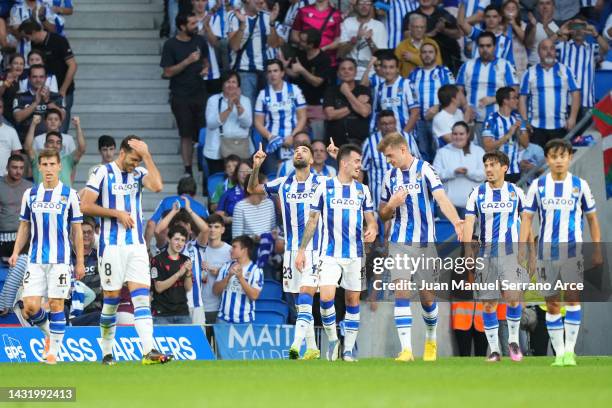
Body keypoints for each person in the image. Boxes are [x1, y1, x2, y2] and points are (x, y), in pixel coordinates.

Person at [80, 136, 172, 366]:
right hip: (111, 247)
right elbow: (85, 205)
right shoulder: (102, 172)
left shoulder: (139, 174)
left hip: (136, 246)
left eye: (139, 160)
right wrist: (116, 213)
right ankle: (107, 352)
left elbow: (158, 186)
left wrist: (147, 156)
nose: (135, 164)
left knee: (141, 299)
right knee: (111, 300)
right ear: (122, 153)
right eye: (134, 159)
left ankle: (149, 350)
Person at [378, 131, 463, 362]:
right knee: (401, 292)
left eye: (390, 155)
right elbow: (383, 214)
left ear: (403, 149)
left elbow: (441, 198)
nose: (389, 160)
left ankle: (431, 338)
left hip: (426, 243)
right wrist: (392, 205)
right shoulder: (389, 177)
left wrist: (456, 221)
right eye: (386, 157)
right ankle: (406, 350)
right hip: (400, 242)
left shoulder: (425, 169)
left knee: (427, 299)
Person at [519, 139, 602, 367]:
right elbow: (527, 218)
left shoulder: (580, 185)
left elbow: (592, 218)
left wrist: (596, 248)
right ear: (547, 159)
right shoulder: (538, 185)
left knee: (573, 301)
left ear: (569, 158)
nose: (558, 160)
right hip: (546, 253)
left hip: (573, 252)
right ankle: (559, 354)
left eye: (562, 156)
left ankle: (569, 352)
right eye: (553, 156)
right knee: (552, 304)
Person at [296, 144, 378, 362]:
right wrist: (302, 250)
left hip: (355, 254)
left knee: (352, 301)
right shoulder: (324, 186)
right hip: (329, 254)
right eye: (357, 161)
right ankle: (333, 340)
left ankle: (348, 350)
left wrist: (373, 229)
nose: (360, 166)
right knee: (326, 298)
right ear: (344, 163)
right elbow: (312, 220)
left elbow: (371, 220)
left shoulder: (363, 190)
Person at [249, 139, 326, 360]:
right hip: (290, 250)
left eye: (304, 150)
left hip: (314, 249)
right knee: (296, 299)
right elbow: (253, 188)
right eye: (296, 151)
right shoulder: (283, 183)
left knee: (305, 296)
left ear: (312, 159)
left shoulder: (322, 182)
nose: (299, 153)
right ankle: (312, 348)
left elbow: (350, 182)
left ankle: (295, 345)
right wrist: (256, 166)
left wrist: (339, 157)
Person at [8, 148, 84, 365]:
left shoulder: (70, 194)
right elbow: (24, 226)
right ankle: (50, 334)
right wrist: (15, 252)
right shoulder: (30, 194)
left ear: (60, 166)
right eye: (45, 165)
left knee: (56, 304)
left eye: (53, 164)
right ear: (39, 167)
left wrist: (79, 262)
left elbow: (77, 230)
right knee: (29, 306)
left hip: (60, 261)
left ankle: (53, 353)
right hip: (35, 260)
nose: (49, 169)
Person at [463, 150, 529, 362]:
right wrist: (467, 252)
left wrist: (524, 249)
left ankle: (513, 342)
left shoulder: (516, 192)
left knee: (512, 298)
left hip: (510, 254)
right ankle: (494, 350)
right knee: (489, 304)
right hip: (485, 254)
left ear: (505, 168)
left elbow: (526, 222)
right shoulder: (477, 193)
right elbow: (469, 224)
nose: (489, 169)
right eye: (486, 166)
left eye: (493, 165)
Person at [160, 13, 210, 178]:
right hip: (180, 96)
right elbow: (167, 72)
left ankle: (204, 166)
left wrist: (205, 68)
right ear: (182, 26)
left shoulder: (200, 41)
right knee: (186, 134)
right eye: (192, 23)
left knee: (203, 131)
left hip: (200, 93)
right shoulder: (170, 45)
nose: (196, 25)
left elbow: (205, 60)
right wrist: (187, 61)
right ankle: (188, 169)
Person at [153, 202, 209, 324]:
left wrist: (189, 210)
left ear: (190, 227)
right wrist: (173, 212)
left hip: (196, 305)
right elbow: (157, 231)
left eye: (186, 224)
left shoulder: (195, 247)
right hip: (172, 308)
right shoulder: (167, 247)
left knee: (198, 342)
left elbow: (205, 230)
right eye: (180, 225)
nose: (183, 227)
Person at [518, 39, 580, 148]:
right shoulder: (529, 72)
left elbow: (576, 93)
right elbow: (522, 98)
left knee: (559, 162)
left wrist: (573, 118)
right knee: (537, 163)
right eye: (544, 48)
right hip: (536, 127)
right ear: (538, 52)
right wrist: (524, 122)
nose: (549, 51)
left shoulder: (565, 70)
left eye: (552, 48)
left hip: (560, 126)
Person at [457, 32, 518, 140]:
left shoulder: (505, 65)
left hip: (498, 120)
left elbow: (514, 91)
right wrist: (466, 107)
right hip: (473, 121)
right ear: (477, 47)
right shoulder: (467, 66)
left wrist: (494, 99)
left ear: (494, 47)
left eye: (488, 46)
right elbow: (458, 92)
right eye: (481, 46)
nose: (485, 49)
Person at [19, 20, 77, 134]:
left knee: (60, 126)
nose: (27, 40)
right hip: (42, 92)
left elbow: (73, 65)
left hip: (62, 91)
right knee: (43, 127)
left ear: (34, 32)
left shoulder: (59, 40)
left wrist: (63, 90)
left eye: (27, 36)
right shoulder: (34, 44)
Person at [254, 59, 306, 173]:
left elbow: (302, 117)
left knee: (296, 174)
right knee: (273, 176)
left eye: (275, 71)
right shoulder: (263, 94)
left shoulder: (294, 90)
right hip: (271, 143)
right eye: (269, 71)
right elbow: (258, 122)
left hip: (293, 140)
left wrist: (293, 135)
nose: (272, 74)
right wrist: (271, 137)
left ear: (282, 73)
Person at [363, 111, 421, 214]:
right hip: (379, 201)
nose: (387, 126)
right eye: (384, 124)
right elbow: (361, 170)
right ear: (378, 125)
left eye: (390, 123)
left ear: (395, 123)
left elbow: (418, 164)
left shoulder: (407, 139)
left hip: (406, 198)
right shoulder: (370, 142)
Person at [556, 17, 608, 129]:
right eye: (575, 27)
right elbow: (545, 47)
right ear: (571, 30)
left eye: (582, 27)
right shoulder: (562, 47)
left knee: (583, 140)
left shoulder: (592, 48)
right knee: (565, 138)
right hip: (566, 102)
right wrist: (559, 32)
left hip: (586, 102)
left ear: (586, 29)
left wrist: (595, 34)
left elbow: (606, 48)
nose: (579, 30)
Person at [227, 0, 280, 107]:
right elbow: (234, 46)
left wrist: (272, 23)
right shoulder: (234, 16)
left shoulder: (266, 16)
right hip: (244, 71)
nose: (261, 1)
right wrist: (242, 24)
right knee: (248, 111)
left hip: (264, 72)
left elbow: (274, 44)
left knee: (265, 111)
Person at [408, 43, 455, 161]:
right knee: (422, 152)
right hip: (419, 121)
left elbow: (452, 94)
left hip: (438, 119)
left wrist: (438, 107)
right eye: (424, 52)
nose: (427, 55)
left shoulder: (444, 71)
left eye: (430, 52)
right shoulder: (414, 73)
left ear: (435, 54)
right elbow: (409, 95)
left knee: (439, 151)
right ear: (420, 55)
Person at [283, 29, 332, 142]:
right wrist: (285, 67)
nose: (299, 42)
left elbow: (317, 82)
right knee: (298, 139)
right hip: (299, 105)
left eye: (303, 41)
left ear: (311, 44)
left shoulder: (324, 59)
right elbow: (295, 75)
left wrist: (302, 70)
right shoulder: (299, 54)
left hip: (316, 106)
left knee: (317, 141)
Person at [433, 121, 485, 215]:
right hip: (447, 205)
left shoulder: (479, 151)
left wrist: (468, 172)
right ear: (451, 135)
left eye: (461, 134)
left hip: (471, 206)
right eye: (455, 134)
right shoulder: (442, 152)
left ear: (468, 135)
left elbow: (484, 175)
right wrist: (453, 172)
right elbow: (435, 176)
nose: (458, 137)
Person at [205, 71, 253, 170]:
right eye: (227, 82)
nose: (230, 85)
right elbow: (211, 124)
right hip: (217, 151)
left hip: (241, 149)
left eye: (233, 82)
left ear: (238, 86)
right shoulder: (213, 100)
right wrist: (228, 109)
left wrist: (238, 105)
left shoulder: (245, 100)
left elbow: (247, 123)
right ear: (222, 85)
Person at [146, 175, 209, 249]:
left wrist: (147, 248)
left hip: (168, 247)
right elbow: (207, 231)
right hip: (194, 249)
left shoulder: (166, 202)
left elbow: (151, 224)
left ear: (178, 190)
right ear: (195, 192)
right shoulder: (202, 208)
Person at [482, 87, 528, 184]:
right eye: (514, 98)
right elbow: (487, 147)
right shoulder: (491, 119)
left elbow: (526, 144)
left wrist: (518, 133)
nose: (517, 100)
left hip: (515, 171)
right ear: (505, 101)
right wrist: (508, 135)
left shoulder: (518, 118)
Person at [213, 235, 263, 323]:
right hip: (223, 320)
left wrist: (240, 278)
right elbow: (215, 291)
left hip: (244, 322)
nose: (230, 250)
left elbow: (254, 296)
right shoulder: (226, 266)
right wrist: (228, 276)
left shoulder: (256, 270)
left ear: (244, 250)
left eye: (234, 247)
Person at [403, 0, 462, 74]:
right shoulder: (411, 15)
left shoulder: (443, 13)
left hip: (448, 61)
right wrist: (432, 33)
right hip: (422, 60)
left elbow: (458, 34)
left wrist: (443, 30)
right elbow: (407, 35)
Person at [24, 115, 85, 187]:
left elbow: (82, 148)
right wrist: (33, 124)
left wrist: (77, 125)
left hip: (63, 197)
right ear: (45, 145)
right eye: (51, 142)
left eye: (58, 143)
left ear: (61, 147)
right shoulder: (38, 159)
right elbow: (27, 147)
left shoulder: (67, 160)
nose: (55, 145)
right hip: (42, 197)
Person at [323, 58, 371, 147]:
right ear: (338, 73)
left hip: (359, 143)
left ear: (355, 72)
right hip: (335, 144)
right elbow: (330, 115)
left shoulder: (363, 90)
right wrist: (355, 105)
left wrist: (347, 93)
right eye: (343, 69)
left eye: (350, 69)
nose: (346, 71)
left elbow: (364, 112)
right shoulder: (331, 91)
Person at [151, 225, 193, 325]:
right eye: (177, 239)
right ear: (168, 239)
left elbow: (188, 288)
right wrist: (179, 273)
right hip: (162, 314)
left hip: (182, 312)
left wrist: (187, 273)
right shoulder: (157, 260)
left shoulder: (186, 259)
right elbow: (158, 288)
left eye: (183, 240)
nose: (180, 243)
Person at [13, 63, 65, 137]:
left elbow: (63, 117)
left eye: (41, 77)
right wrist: (36, 103)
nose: (38, 80)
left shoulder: (56, 96)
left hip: (52, 141)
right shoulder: (20, 96)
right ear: (29, 78)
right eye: (34, 77)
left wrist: (48, 101)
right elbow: (18, 118)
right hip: (27, 140)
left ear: (46, 78)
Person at [338, 0, 387, 79]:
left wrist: (369, 41)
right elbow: (340, 54)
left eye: (367, 3)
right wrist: (356, 39)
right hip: (350, 74)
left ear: (371, 6)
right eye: (361, 3)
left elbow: (381, 57)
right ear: (356, 6)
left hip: (371, 74)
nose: (364, 6)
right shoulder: (347, 23)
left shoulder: (379, 26)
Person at [374, 53, 419, 138]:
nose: (387, 71)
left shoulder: (407, 84)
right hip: (386, 138)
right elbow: (376, 113)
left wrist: (403, 135)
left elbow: (415, 113)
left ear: (397, 69)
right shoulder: (379, 88)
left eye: (391, 67)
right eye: (385, 67)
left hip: (406, 137)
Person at [70, 216, 103, 326]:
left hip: (94, 311)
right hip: (72, 310)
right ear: (74, 235)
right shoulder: (66, 258)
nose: (86, 235)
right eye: (82, 232)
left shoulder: (100, 256)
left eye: (89, 232)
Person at [0, 155, 32, 263]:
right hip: (2, 236)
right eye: (14, 167)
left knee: (20, 272)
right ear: (7, 167)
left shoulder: (30, 187)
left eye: (21, 168)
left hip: (23, 237)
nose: (18, 171)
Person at [291, 0, 341, 68]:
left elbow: (338, 41)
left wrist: (323, 49)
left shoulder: (336, 14)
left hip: (328, 60)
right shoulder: (303, 11)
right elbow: (294, 35)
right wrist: (306, 46)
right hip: (304, 58)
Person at [201, 214, 232, 326]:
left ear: (223, 229)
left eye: (216, 227)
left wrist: (220, 272)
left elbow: (238, 276)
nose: (212, 230)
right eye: (209, 226)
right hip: (199, 305)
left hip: (222, 307)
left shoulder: (231, 251)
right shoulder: (198, 249)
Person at [232, 170, 275, 239]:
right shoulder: (240, 207)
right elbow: (236, 238)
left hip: (267, 245)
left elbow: (272, 229)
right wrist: (253, 239)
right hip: (249, 247)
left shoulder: (269, 203)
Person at [395, 13, 441, 77]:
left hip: (430, 82)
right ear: (409, 27)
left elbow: (438, 67)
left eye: (422, 27)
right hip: (408, 83)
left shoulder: (432, 44)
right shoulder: (402, 46)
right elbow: (395, 70)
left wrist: (414, 58)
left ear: (425, 28)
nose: (419, 30)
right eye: (416, 27)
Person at [431, 84, 470, 150]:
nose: (462, 97)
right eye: (459, 95)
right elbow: (455, 141)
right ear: (453, 99)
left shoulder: (459, 112)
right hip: (448, 156)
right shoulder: (440, 119)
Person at [216, 159, 252, 226]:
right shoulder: (227, 194)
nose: (245, 174)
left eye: (248, 171)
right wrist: (230, 219)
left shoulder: (260, 193)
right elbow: (218, 217)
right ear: (236, 174)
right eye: (241, 171)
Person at [526, 0, 560, 66]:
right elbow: (528, 45)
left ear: (553, 7)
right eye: (541, 4)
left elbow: (560, 41)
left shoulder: (560, 25)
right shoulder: (531, 24)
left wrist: (546, 26)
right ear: (537, 7)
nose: (545, 7)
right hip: (533, 64)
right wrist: (533, 27)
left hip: (554, 66)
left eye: (548, 3)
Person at [0, 100, 20, 173]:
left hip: (4, 178)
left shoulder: (11, 131)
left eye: (0, 107)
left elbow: (16, 157)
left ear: (3, 109)